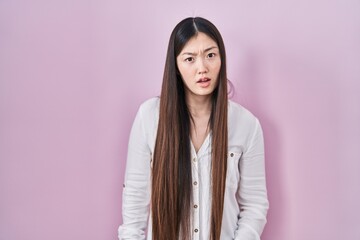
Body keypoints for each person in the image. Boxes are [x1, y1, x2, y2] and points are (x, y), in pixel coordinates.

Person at [118, 17, 269, 240]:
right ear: (176, 66)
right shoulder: (149, 117)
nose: (202, 68)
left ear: (221, 59)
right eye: (190, 58)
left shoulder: (246, 125)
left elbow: (255, 205)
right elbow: (134, 202)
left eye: (210, 55)